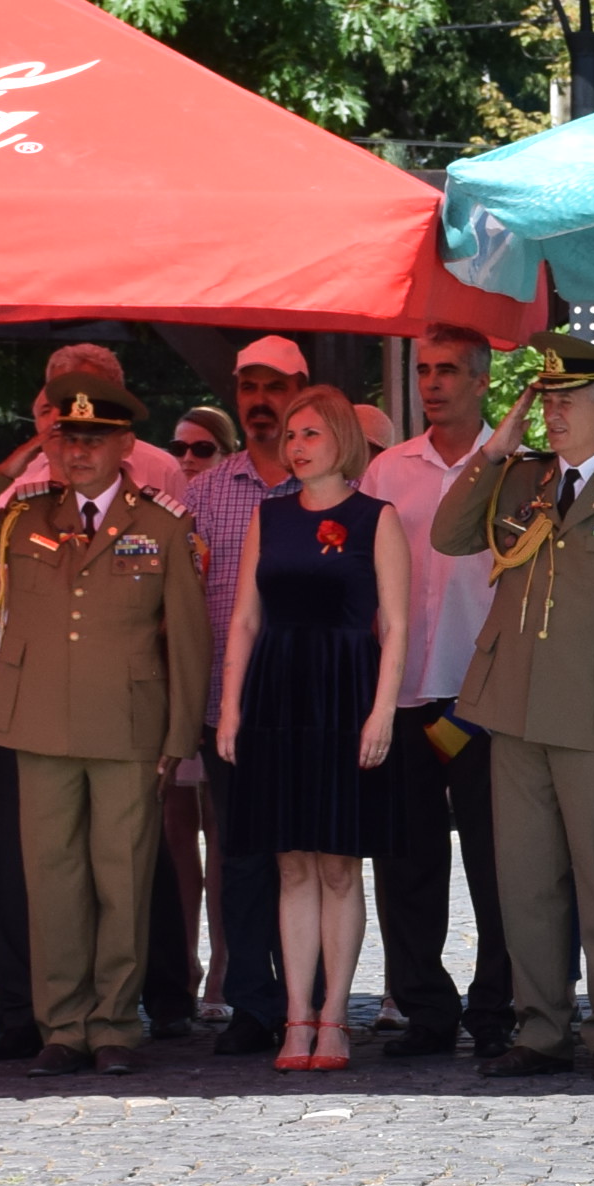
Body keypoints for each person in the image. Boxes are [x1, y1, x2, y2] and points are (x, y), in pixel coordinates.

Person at [0, 372, 209, 1073]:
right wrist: (10, 465)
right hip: (40, 725)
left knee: (122, 879)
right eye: (66, 438)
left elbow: (189, 639)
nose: (77, 453)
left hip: (126, 726)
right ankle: (63, 1026)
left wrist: (178, 736)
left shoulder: (162, 524)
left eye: (93, 440)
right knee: (51, 880)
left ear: (125, 445)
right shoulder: (23, 514)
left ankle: (114, 1023)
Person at [432, 334, 594, 1079]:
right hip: (514, 711)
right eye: (545, 401)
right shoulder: (519, 480)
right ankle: (540, 1028)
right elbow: (449, 535)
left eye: (567, 401)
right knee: (525, 880)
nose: (553, 414)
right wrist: (492, 452)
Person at [217, 385, 410, 1071]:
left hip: (344, 692)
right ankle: (296, 1018)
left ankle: (336, 1018)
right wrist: (232, 708)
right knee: (289, 861)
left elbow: (395, 625)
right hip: (276, 691)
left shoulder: (375, 518)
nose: (295, 447)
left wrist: (382, 710)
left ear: (341, 442)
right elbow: (244, 619)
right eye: (290, 436)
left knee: (337, 866)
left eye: (310, 435)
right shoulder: (268, 518)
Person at [359, 327, 517, 1061]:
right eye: (423, 370)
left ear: (483, 381)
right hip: (405, 692)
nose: (433, 382)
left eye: (448, 369)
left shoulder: (516, 468)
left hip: (484, 699)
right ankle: (423, 1006)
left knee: (497, 865)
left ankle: (497, 1006)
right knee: (406, 863)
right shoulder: (387, 471)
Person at [183, 335, 314, 1053]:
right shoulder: (202, 492)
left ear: (302, 389)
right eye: (248, 388)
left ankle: (309, 1001)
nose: (260, 403)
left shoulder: (329, 487)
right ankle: (252, 1006)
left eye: (274, 387)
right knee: (240, 859)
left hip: (311, 703)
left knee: (312, 852)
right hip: (226, 707)